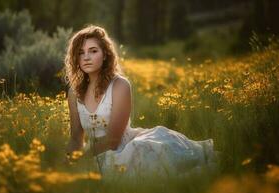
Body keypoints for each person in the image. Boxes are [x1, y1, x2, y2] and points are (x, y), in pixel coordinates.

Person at [63, 25, 218, 179]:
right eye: (80, 53)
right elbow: (76, 137)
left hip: (123, 148)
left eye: (93, 51)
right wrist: (69, 160)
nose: (86, 57)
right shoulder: (74, 92)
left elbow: (113, 141)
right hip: (93, 152)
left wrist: (83, 159)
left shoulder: (120, 85)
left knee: (145, 160)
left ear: (105, 55)